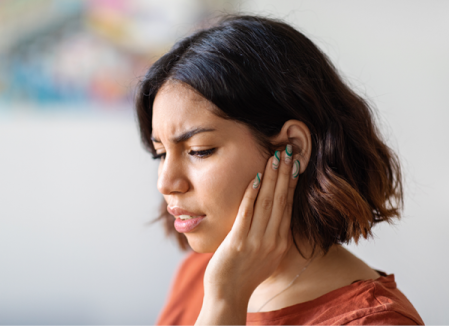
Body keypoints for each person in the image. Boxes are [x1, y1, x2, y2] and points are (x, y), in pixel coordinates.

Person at [135, 15, 424, 325]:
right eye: (161, 154)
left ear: (293, 149)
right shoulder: (202, 274)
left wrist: (225, 303)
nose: (165, 183)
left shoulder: (375, 321)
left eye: (198, 151)